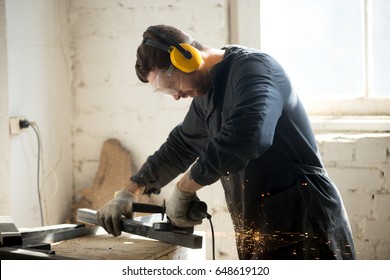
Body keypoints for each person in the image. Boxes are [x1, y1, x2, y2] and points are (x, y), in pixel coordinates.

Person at [97, 24, 356, 260]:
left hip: (306, 221)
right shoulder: (205, 95)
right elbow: (181, 146)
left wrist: (185, 186)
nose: (175, 95)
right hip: (261, 227)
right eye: (165, 89)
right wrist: (130, 192)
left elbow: (249, 135)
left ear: (187, 58)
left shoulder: (254, 70)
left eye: (170, 82)